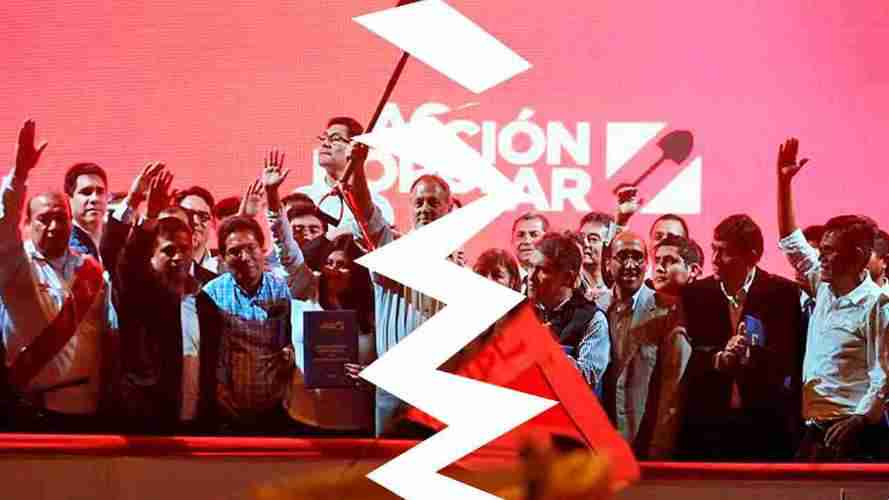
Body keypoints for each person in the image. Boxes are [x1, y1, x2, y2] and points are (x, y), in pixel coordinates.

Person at [776, 137, 889, 460]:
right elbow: (791, 242)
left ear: (858, 255)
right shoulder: (823, 287)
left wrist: (859, 420)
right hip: (815, 429)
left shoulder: (878, 305)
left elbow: (883, 374)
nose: (820, 258)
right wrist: (784, 183)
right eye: (821, 251)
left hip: (856, 435)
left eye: (829, 251)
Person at [0, 120, 116, 432]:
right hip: (27, 411)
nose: (53, 227)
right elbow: (4, 222)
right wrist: (20, 175)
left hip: (86, 412)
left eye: (61, 218)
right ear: (27, 223)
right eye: (44, 219)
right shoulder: (16, 265)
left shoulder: (91, 271)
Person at [346, 142, 452, 435]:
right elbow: (365, 211)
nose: (425, 209)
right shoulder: (390, 251)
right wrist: (358, 167)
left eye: (433, 203)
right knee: (389, 463)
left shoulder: (461, 272)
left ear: (449, 208)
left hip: (440, 391)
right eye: (419, 203)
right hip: (393, 391)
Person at [678, 213, 803, 461]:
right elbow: (685, 358)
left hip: (766, 429)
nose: (714, 259)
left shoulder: (782, 293)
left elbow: (789, 359)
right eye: (713, 249)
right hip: (708, 429)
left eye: (724, 252)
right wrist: (719, 359)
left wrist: (746, 354)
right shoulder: (695, 295)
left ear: (752, 256)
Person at [116, 169, 219, 433]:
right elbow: (128, 262)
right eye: (168, 251)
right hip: (147, 426)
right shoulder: (139, 294)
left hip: (197, 427)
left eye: (184, 250)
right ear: (151, 255)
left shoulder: (205, 305)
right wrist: (150, 216)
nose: (178, 257)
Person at [602, 232, 692, 459]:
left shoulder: (668, 309)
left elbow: (673, 385)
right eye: (622, 256)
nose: (630, 265)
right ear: (608, 263)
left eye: (637, 257)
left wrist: (660, 445)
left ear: (646, 263)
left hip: (646, 440)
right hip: (599, 440)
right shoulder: (596, 307)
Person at [284, 234, 376, 435]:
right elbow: (286, 250)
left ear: (357, 272)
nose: (333, 270)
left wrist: (370, 375)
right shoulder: (308, 292)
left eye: (342, 265)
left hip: (354, 421)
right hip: (305, 416)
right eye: (329, 263)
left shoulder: (373, 309)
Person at [528, 232, 610, 395]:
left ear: (568, 277)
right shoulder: (521, 314)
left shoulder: (593, 320)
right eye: (530, 267)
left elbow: (585, 380)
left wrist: (548, 350)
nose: (531, 277)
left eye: (543, 270)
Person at [292, 117, 394, 238]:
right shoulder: (303, 195)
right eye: (324, 138)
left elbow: (380, 237)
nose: (325, 143)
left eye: (335, 139)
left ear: (354, 146)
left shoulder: (378, 203)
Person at [64, 162, 109, 262]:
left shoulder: (117, 240)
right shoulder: (63, 246)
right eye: (86, 192)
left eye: (100, 192)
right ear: (69, 199)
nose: (94, 198)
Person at [174, 186, 220, 276]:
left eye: (203, 216)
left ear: (212, 222)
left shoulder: (222, 271)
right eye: (188, 214)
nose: (195, 221)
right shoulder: (163, 265)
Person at [577, 211, 614, 310]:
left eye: (593, 239)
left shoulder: (618, 286)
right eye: (581, 237)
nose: (585, 244)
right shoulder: (569, 284)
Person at [511, 211, 550, 294]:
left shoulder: (558, 282)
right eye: (520, 235)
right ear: (512, 241)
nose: (527, 241)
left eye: (534, 235)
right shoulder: (499, 280)